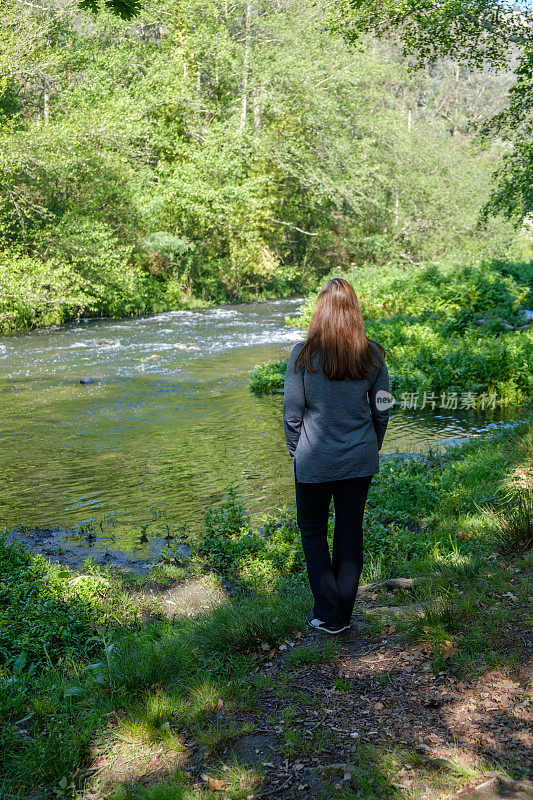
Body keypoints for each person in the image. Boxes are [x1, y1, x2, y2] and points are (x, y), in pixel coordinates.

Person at [283, 277, 390, 635]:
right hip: (358, 459)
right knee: (349, 533)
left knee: (312, 533)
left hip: (313, 461)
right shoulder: (372, 353)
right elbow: (383, 407)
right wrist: (371, 445)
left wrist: (295, 453)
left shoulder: (302, 355)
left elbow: (292, 413)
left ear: (320, 311)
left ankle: (329, 615)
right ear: (355, 311)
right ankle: (340, 613)